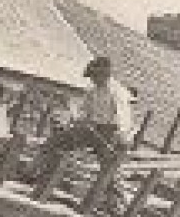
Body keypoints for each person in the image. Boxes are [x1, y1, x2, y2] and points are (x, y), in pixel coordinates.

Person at [28, 56, 134, 187]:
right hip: (91, 130)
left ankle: (114, 197)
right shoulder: (92, 90)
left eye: (95, 76)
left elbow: (124, 120)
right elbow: (84, 112)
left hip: (111, 134)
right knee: (56, 141)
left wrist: (119, 137)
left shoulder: (117, 92)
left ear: (104, 75)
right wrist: (73, 122)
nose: (93, 80)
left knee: (108, 168)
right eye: (91, 77)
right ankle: (33, 174)